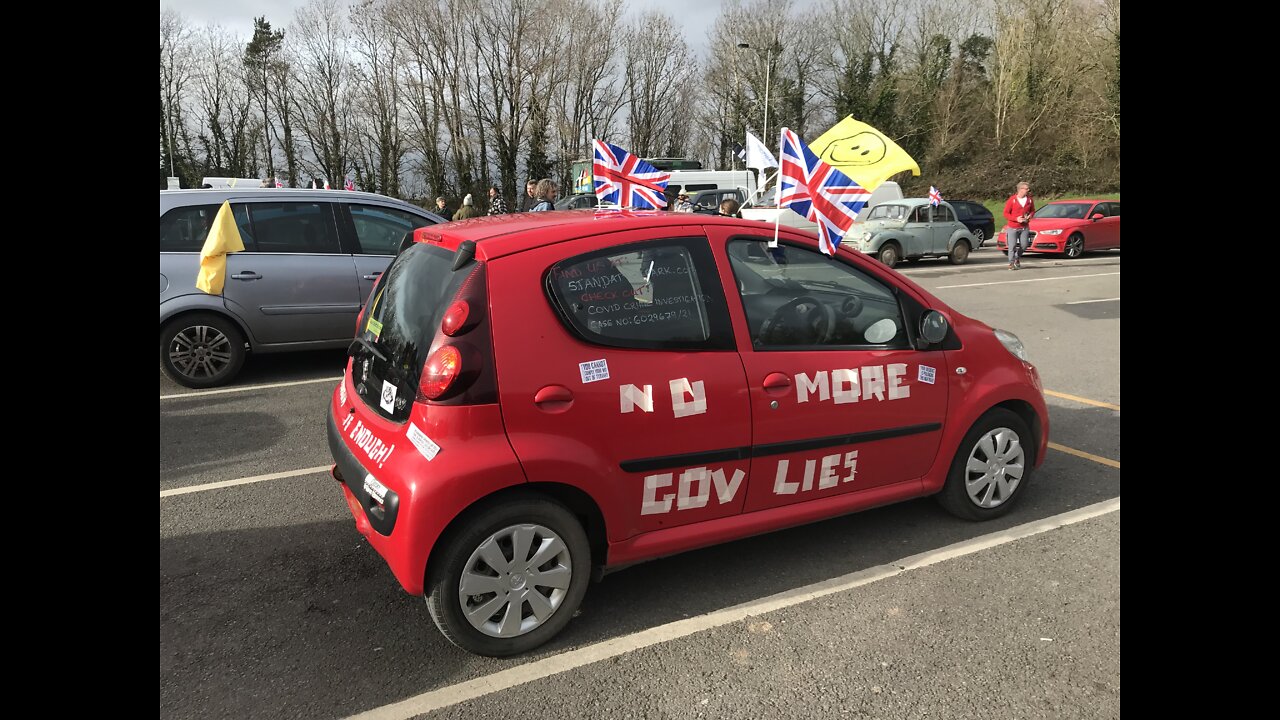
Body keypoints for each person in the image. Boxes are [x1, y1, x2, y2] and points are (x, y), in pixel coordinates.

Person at [1002, 181, 1035, 270]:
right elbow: (1005, 213)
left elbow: (1032, 210)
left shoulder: (1030, 199)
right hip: (1013, 227)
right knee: (1012, 246)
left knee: (1024, 245)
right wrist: (1016, 219)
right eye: (1026, 188)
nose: (1028, 190)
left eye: (1028, 188)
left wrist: (1030, 216)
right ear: (1020, 189)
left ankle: (1017, 257)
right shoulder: (1012, 200)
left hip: (1024, 227)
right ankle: (1011, 263)